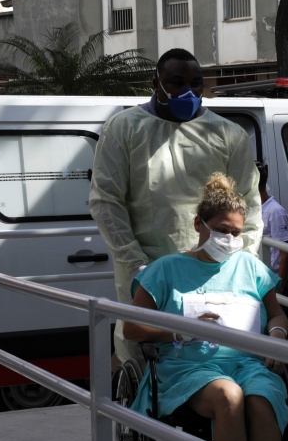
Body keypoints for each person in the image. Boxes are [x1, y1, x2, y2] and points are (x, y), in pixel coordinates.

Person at [122, 173, 288, 441]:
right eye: (222, 230)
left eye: (237, 232)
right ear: (198, 224)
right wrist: (178, 328)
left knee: (263, 399)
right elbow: (132, 329)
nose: (231, 239)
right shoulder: (166, 270)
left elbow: (276, 312)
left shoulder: (249, 267)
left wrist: (277, 334)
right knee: (228, 395)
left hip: (246, 361)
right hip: (188, 366)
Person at [89, 48, 262, 366]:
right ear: (156, 84)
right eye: (176, 82)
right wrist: (136, 265)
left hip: (214, 270)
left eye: (196, 83)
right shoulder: (124, 128)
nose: (188, 91)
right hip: (147, 269)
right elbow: (106, 201)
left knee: (215, 356)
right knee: (146, 362)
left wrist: (243, 264)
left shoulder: (229, 135)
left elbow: (249, 206)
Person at [257, 163, 288, 289]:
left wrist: (280, 287)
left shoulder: (275, 211)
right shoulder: (252, 210)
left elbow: (286, 253)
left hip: (272, 279)